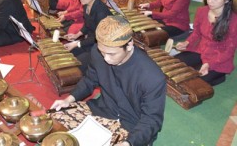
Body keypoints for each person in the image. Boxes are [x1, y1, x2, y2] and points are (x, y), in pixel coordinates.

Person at [51, 15, 167, 146]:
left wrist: (128, 143)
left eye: (112, 54)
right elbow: (89, 79)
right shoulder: (97, 52)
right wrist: (69, 99)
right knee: (55, 120)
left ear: (129, 45)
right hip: (103, 109)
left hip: (132, 125)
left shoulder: (152, 76)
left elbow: (152, 119)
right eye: (102, 52)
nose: (106, 58)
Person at [174, 0, 237, 86]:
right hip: (200, 50)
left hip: (218, 58)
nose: (210, 1)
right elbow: (196, 33)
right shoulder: (202, 11)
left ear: (226, 0)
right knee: (174, 66)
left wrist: (209, 64)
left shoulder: (234, 21)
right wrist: (187, 43)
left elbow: (228, 52)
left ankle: (219, 75)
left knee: (192, 82)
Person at [63, 0, 112, 72]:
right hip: (91, 41)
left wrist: (77, 43)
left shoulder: (101, 12)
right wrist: (77, 35)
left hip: (101, 47)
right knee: (67, 55)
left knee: (77, 65)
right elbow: (87, 25)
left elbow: (97, 38)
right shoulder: (86, 5)